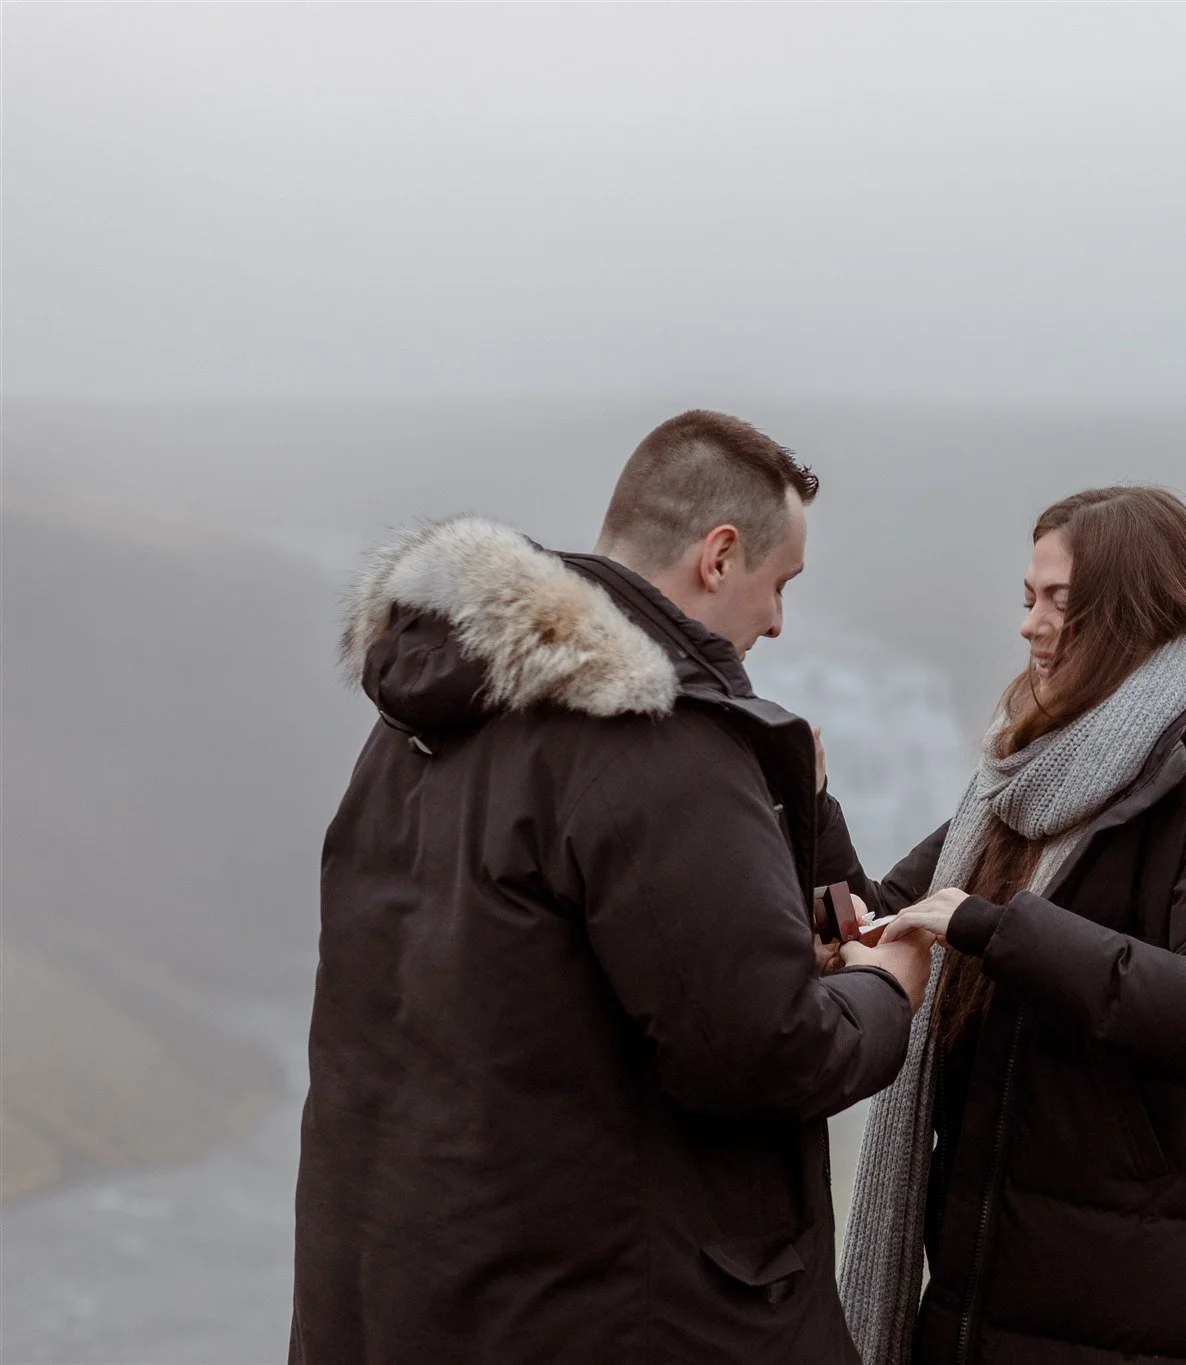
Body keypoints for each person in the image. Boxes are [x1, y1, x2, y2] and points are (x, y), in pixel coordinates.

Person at [291, 411, 930, 1364]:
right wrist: (889, 989)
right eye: (778, 582)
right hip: (609, 1317)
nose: (778, 621)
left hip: (408, 1296)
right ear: (718, 556)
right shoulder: (656, 742)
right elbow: (762, 1054)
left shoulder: (415, 727)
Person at [834, 486, 1186, 1365]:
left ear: (1131, 614)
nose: (1030, 624)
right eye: (1028, 598)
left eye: (1060, 601)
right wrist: (810, 805)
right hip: (984, 1305)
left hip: (1138, 1326)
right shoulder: (1021, 785)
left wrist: (1002, 931)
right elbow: (889, 907)